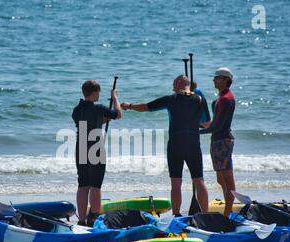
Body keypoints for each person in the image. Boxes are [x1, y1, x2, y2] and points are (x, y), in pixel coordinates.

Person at [121, 75, 210, 216]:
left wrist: (129, 106)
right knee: (199, 180)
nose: (172, 88)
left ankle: (176, 215)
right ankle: (206, 215)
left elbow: (146, 107)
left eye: (174, 84)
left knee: (176, 182)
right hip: (193, 144)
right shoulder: (200, 99)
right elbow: (206, 124)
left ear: (180, 83)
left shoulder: (170, 99)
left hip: (175, 145)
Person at [72, 80, 122, 226]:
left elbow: (89, 123)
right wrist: (115, 98)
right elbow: (118, 114)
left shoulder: (77, 110)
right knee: (95, 185)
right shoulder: (98, 108)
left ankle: (81, 220)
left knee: (83, 185)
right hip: (95, 147)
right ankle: (94, 219)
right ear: (94, 92)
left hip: (80, 146)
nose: (99, 94)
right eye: (98, 92)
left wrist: (101, 120)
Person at [200, 67, 236, 216]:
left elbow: (218, 126)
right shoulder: (221, 98)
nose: (214, 80)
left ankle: (227, 214)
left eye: (217, 77)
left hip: (222, 141)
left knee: (227, 180)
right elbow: (214, 123)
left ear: (226, 80)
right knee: (221, 179)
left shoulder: (226, 99)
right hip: (218, 140)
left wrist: (196, 132)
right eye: (214, 77)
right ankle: (228, 209)